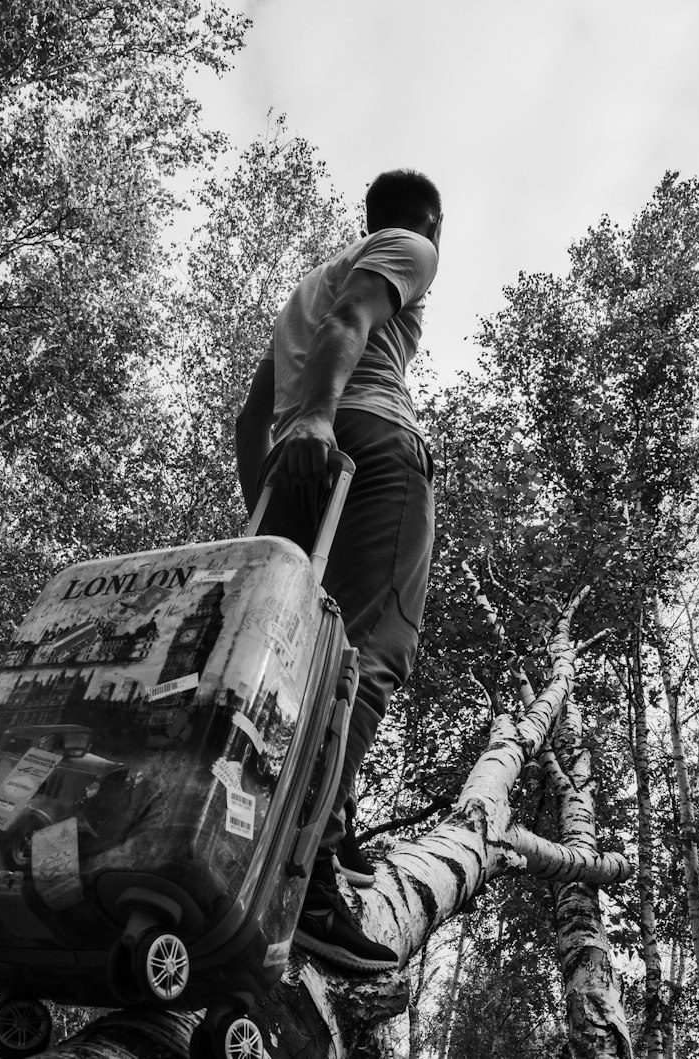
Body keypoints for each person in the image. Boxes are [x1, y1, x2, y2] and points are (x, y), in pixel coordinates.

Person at [235, 169, 442, 974]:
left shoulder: (304, 292)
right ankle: (304, 875)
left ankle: (318, 819)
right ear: (432, 223)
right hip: (370, 448)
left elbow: (252, 417)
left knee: (289, 671)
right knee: (372, 648)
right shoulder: (410, 248)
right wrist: (324, 412)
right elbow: (357, 319)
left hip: (299, 470)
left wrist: (270, 516)